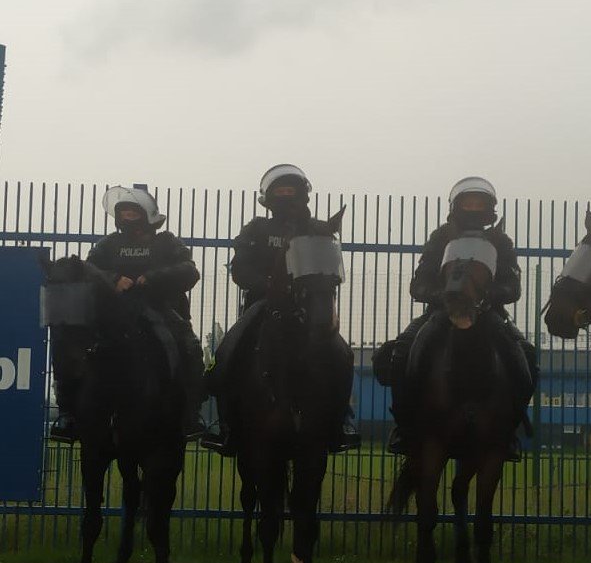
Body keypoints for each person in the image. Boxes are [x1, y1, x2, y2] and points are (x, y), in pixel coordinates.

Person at [200, 164, 359, 455]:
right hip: (264, 304)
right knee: (227, 353)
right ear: (269, 198)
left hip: (309, 308)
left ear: (303, 195)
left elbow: (328, 267)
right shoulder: (256, 228)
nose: (287, 196)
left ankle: (339, 425)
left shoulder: (317, 229)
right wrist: (269, 284)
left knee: (343, 355)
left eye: (292, 191)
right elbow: (240, 269)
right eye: (281, 191)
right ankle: (227, 429)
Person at [385, 176, 538, 458]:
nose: (473, 208)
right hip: (442, 312)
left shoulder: (500, 241)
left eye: (479, 203)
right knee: (401, 351)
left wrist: (489, 297)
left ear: (489, 208)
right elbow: (419, 283)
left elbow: (513, 285)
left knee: (526, 354)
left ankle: (509, 430)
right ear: (457, 206)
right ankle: (404, 427)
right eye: (468, 202)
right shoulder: (441, 237)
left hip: (488, 314)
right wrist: (441, 296)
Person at [49, 185, 206, 443]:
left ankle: (191, 414)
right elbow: (88, 271)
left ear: (148, 214)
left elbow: (189, 270)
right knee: (69, 346)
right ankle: (68, 414)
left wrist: (152, 279)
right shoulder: (107, 245)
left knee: (191, 347)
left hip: (162, 310)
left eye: (133, 212)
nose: (128, 217)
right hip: (113, 315)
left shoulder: (167, 242)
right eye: (124, 212)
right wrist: (113, 279)